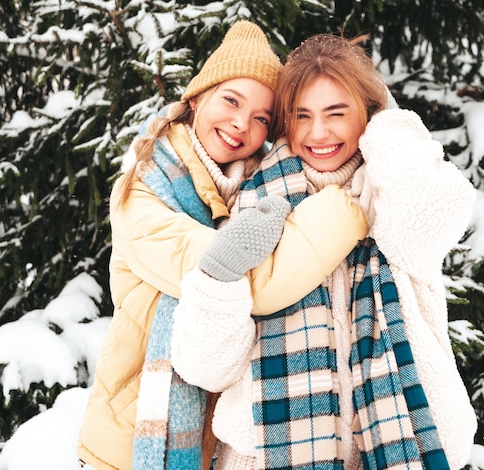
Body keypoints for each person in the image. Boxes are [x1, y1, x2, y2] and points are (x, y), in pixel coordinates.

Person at [167, 33, 479, 469]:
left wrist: (388, 120)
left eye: (337, 112)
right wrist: (218, 277)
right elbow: (206, 368)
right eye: (302, 115)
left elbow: (431, 216)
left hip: (405, 445)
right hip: (266, 457)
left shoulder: (392, 192)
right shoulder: (254, 201)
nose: (319, 133)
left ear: (366, 115)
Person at [76, 22, 370, 470]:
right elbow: (251, 283)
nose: (240, 124)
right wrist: (348, 209)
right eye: (231, 101)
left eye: (261, 119)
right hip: (132, 438)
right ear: (196, 98)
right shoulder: (146, 190)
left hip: (217, 437)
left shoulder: (252, 188)